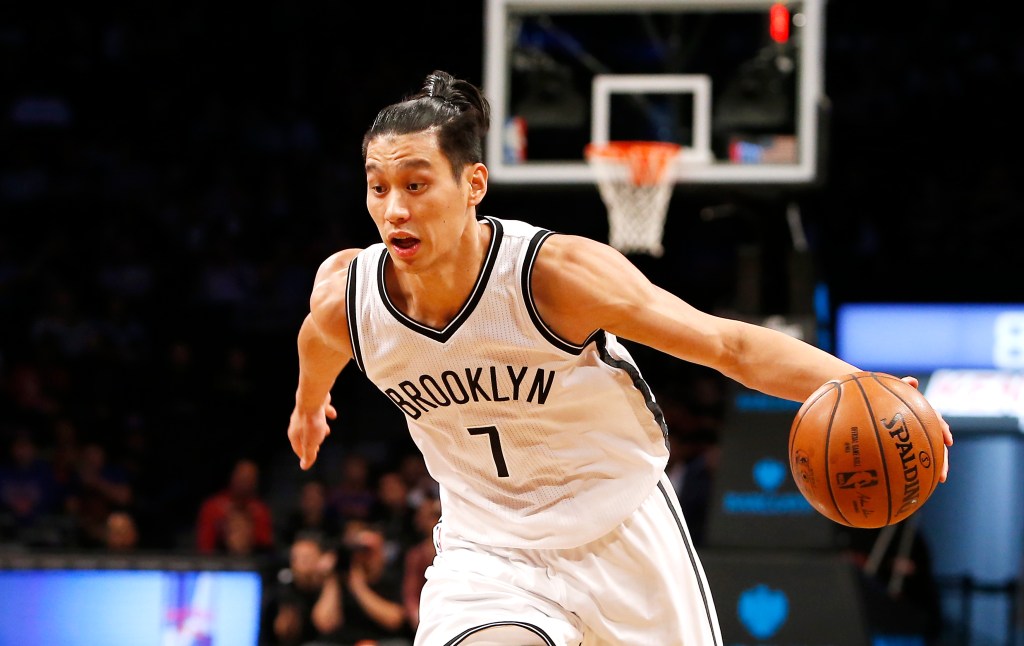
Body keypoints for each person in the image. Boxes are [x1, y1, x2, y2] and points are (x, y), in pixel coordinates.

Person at [285, 70, 954, 645]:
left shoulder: (555, 277)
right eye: (378, 187)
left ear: (474, 184)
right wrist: (309, 405)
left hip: (621, 532)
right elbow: (316, 343)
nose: (395, 208)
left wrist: (863, 384)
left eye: (416, 184)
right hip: (488, 547)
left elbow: (729, 346)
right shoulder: (351, 298)